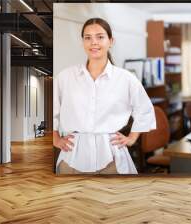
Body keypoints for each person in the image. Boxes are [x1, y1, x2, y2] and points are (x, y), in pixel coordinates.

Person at [53, 18, 156, 174]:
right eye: (88, 37)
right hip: (71, 159)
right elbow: (51, 110)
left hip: (112, 159)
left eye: (100, 37)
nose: (93, 42)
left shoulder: (125, 78)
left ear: (111, 41)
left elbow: (145, 109)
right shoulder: (65, 77)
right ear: (83, 42)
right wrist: (55, 138)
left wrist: (132, 138)